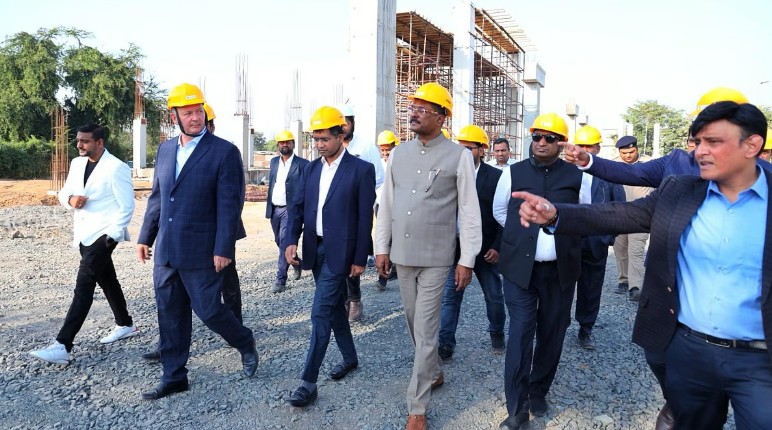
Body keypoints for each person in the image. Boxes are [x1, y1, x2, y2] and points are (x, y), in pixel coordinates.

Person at [513, 101, 772, 430]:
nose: (700, 151)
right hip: (690, 352)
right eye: (698, 141)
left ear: (752, 145)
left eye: (713, 142)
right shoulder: (681, 189)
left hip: (758, 360)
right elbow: (621, 214)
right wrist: (556, 215)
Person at [136, 83, 258, 400]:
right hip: (167, 250)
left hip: (202, 250)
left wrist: (223, 248)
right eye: (188, 113)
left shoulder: (223, 152)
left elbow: (230, 205)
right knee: (170, 313)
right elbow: (158, 197)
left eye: (198, 111)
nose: (195, 118)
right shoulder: (165, 150)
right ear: (173, 116)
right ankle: (174, 376)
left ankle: (244, 340)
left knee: (209, 310)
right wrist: (146, 236)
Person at [375, 82, 481, 430]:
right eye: (413, 107)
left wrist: (467, 258)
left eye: (423, 108)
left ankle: (417, 407)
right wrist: (382, 247)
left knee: (426, 326)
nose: (414, 113)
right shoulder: (399, 155)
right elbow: (387, 204)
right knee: (413, 322)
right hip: (403, 255)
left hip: (437, 257)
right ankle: (433, 370)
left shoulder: (458, 156)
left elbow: (469, 211)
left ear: (441, 116)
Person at [492, 112, 583, 429]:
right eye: (536, 137)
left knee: (552, 333)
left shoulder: (577, 177)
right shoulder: (512, 173)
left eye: (549, 138)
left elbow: (585, 216)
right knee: (520, 334)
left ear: (561, 143)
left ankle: (538, 389)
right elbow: (500, 210)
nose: (541, 142)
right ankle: (517, 409)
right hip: (520, 271)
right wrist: (521, 236)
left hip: (560, 271)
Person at [283, 106, 375, 407]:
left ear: (340, 135)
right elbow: (298, 208)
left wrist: (360, 257)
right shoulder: (311, 169)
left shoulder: (361, 170)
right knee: (335, 308)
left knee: (320, 313)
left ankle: (308, 383)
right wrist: (290, 241)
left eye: (325, 139)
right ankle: (350, 358)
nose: (320, 144)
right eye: (316, 139)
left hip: (342, 252)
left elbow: (364, 217)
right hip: (315, 248)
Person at [29, 124, 137, 364]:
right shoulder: (77, 164)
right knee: (107, 279)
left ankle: (62, 345)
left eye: (85, 141)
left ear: (100, 142)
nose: (79, 145)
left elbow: (127, 206)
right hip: (83, 234)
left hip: (103, 236)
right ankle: (125, 324)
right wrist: (70, 199)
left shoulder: (116, 167)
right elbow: (64, 192)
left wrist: (111, 236)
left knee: (84, 286)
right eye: (78, 140)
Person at [561, 87, 772, 188]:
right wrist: (588, 161)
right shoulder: (676, 164)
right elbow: (632, 173)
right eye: (697, 139)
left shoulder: (766, 179)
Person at [438, 124, 506, 359]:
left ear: (482, 150)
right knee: (451, 298)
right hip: (456, 250)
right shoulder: (449, 175)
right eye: (461, 148)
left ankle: (497, 333)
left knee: (494, 297)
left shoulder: (496, 177)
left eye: (469, 148)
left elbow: (503, 215)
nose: (463, 153)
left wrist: (497, 246)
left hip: (486, 251)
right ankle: (445, 343)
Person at [571, 126, 625, 350]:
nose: (584, 150)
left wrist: (608, 237)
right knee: (560, 285)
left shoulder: (608, 174)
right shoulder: (563, 171)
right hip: (568, 240)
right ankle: (556, 326)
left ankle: (586, 329)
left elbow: (620, 208)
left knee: (591, 287)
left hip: (596, 242)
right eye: (581, 145)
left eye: (589, 146)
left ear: (598, 148)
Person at [338, 104, 384, 322]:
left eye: (346, 123)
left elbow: (379, 178)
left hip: (357, 209)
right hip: (335, 209)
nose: (343, 127)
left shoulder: (366, 147)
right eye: (340, 124)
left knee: (352, 254)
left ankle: (354, 299)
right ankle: (340, 299)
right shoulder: (332, 146)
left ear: (353, 123)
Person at [610, 136, 653, 301]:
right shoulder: (613, 166)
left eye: (631, 152)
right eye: (624, 153)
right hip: (619, 215)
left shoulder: (649, 165)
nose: (628, 155)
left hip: (640, 216)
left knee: (635, 251)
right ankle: (624, 280)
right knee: (620, 250)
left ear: (637, 149)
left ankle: (636, 286)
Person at [266, 130, 309, 293]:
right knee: (280, 242)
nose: (285, 145)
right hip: (274, 209)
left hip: (291, 211)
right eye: (282, 142)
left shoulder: (303, 164)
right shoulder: (273, 162)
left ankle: (280, 279)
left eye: (288, 142)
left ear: (293, 144)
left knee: (284, 242)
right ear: (278, 145)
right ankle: (296, 261)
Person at [375, 130, 399, 291]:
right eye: (382, 150)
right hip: (379, 206)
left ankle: (386, 274)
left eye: (387, 150)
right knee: (384, 239)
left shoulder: (400, 163)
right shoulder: (378, 164)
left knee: (392, 240)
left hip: (396, 207)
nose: (385, 153)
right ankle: (385, 273)